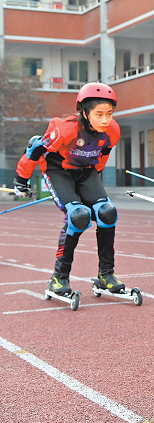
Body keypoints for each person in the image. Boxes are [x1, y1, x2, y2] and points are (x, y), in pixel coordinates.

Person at [13, 82, 123, 295]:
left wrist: (94, 186)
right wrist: (21, 180)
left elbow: (102, 156)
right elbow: (35, 151)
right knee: (78, 216)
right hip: (58, 171)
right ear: (83, 112)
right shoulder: (63, 129)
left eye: (109, 114)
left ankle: (106, 275)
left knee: (107, 213)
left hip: (86, 171)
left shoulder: (113, 131)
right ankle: (59, 278)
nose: (105, 120)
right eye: (99, 114)